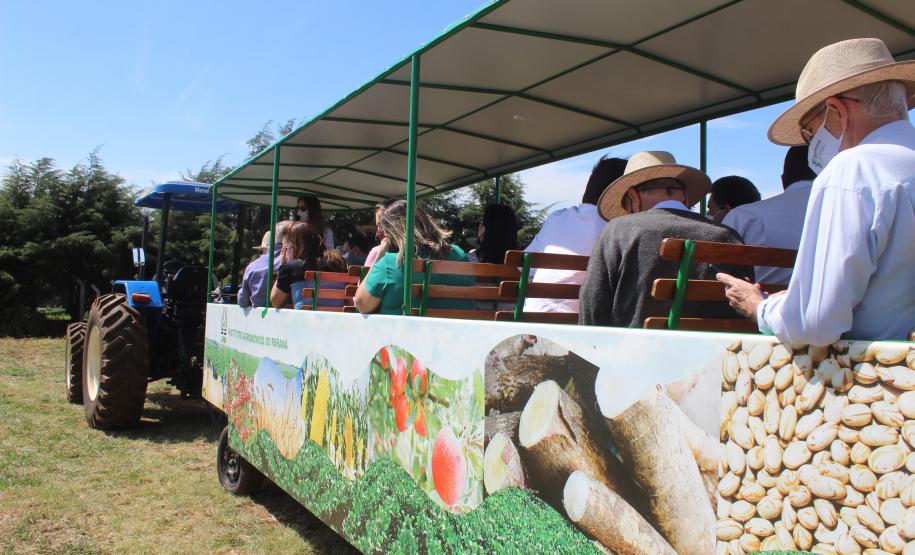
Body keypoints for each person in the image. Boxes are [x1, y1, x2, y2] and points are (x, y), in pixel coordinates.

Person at [718, 38, 915, 344]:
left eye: (810, 131)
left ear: (837, 110)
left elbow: (816, 324)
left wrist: (760, 308)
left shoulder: (854, 169)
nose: (812, 144)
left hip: (876, 380)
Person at [579, 151, 749, 328]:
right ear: (686, 197)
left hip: (634, 350)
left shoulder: (618, 230)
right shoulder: (729, 236)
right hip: (716, 352)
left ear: (633, 198)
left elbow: (593, 302)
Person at [523, 156, 628, 313]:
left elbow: (523, 266)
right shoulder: (617, 228)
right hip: (584, 324)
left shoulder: (556, 218)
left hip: (534, 316)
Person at [354, 201, 473, 315]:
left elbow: (361, 304)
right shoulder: (459, 254)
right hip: (460, 333)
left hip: (405, 335)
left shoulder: (390, 263)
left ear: (394, 233)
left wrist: (379, 255)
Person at [721, 146, 817, 284]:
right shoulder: (848, 211)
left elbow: (717, 273)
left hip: (759, 302)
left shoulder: (743, 215)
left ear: (783, 180)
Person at [270, 222, 347, 309]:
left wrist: (284, 265)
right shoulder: (339, 262)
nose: (282, 253)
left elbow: (275, 301)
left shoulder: (291, 267)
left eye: (285, 248)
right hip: (337, 319)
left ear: (293, 246)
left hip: (305, 320)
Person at [237, 221, 291, 308]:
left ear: (267, 247)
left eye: (262, 250)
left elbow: (243, 301)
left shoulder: (252, 266)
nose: (262, 252)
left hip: (259, 316)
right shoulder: (297, 261)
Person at [364, 199, 397, 267]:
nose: (378, 229)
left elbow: (366, 278)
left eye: (381, 224)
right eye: (377, 225)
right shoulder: (416, 252)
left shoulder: (376, 252)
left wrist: (380, 254)